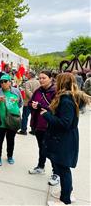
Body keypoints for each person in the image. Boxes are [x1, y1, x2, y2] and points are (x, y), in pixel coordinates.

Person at [41, 73, 90, 205]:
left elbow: (65, 123)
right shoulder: (68, 97)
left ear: (62, 83)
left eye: (57, 81)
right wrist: (47, 110)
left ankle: (65, 199)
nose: (55, 83)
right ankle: (67, 191)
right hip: (64, 139)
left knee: (63, 169)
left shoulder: (66, 100)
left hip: (64, 140)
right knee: (62, 167)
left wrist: (46, 115)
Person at [28, 71, 59, 185]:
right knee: (41, 147)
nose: (41, 80)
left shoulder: (55, 92)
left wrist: (40, 105)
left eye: (44, 78)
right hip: (37, 124)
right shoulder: (38, 90)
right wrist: (33, 105)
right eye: (40, 78)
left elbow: (55, 108)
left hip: (49, 125)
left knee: (51, 150)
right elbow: (31, 102)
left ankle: (56, 173)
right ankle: (40, 167)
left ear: (50, 78)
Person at [0, 74, 23, 166]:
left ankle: (10, 156)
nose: (3, 83)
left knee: (11, 140)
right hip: (0, 120)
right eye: (1, 82)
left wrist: (14, 105)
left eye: (5, 81)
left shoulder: (16, 91)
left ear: (10, 82)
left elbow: (20, 103)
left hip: (12, 120)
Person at [18, 71, 40, 135]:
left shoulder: (28, 82)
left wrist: (33, 98)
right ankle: (33, 130)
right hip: (36, 102)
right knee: (34, 116)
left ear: (30, 75)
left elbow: (27, 92)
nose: (27, 75)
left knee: (25, 116)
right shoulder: (38, 82)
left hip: (28, 102)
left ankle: (23, 130)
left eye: (28, 74)